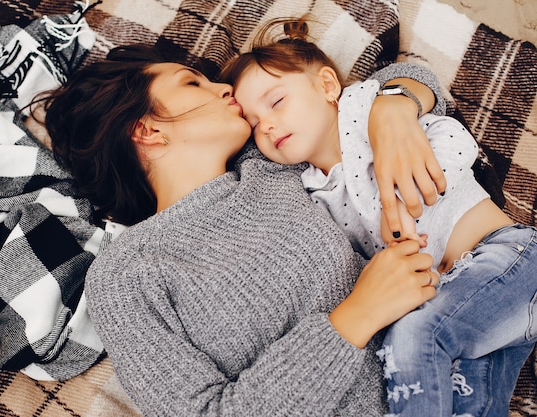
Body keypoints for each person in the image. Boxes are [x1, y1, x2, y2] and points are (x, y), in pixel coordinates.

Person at [40, 44, 445, 416]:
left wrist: (394, 108)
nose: (223, 89)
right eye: (193, 82)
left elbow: (399, 79)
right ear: (148, 130)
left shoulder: (271, 161)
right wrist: (357, 317)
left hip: (452, 368)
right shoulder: (124, 274)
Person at [222, 16, 537, 417]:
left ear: (327, 86)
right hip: (466, 306)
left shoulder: (364, 109)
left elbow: (457, 140)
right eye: (252, 125)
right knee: (468, 403)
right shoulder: (310, 191)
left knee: (412, 338)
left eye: (277, 101)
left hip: (507, 258)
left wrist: (402, 201)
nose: (265, 124)